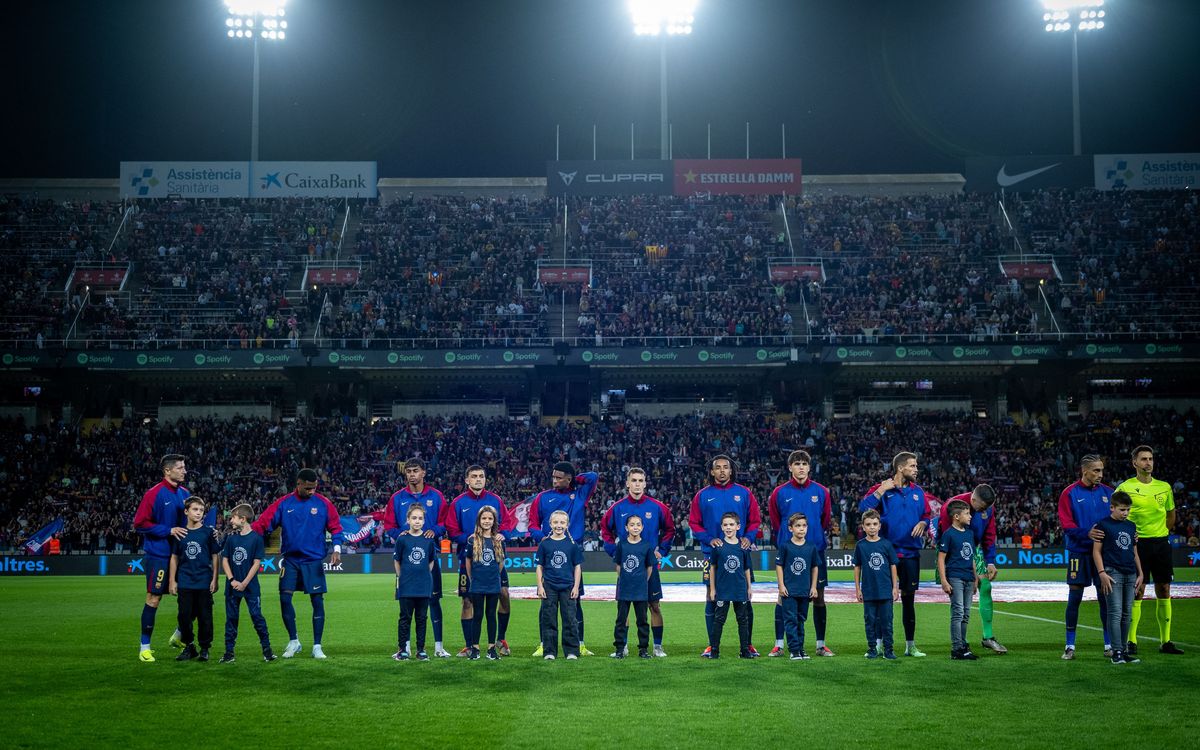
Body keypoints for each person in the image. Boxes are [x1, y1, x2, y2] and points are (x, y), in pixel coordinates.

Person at [252, 468, 344, 660]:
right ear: (298, 484)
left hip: (313, 561)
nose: (312, 491)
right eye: (308, 488)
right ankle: (294, 641)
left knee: (317, 602)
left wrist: (337, 550)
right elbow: (263, 524)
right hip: (291, 561)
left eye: (314, 488)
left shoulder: (324, 504)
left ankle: (317, 646)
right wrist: (246, 537)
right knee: (285, 599)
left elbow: (336, 528)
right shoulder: (284, 504)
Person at [859, 451, 931, 657]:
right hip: (884, 554)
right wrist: (881, 490)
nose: (916, 470)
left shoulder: (918, 492)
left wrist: (923, 522)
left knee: (909, 599)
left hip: (910, 554)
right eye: (913, 466)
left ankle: (910, 646)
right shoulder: (883, 489)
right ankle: (879, 645)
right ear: (901, 468)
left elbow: (926, 514)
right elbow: (863, 508)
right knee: (883, 600)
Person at [689, 455, 762, 657]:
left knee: (745, 599)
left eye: (726, 467)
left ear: (731, 471)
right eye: (718, 468)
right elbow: (694, 523)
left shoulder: (744, 493)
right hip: (711, 557)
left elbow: (755, 520)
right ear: (712, 472)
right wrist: (709, 539)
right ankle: (712, 645)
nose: (722, 471)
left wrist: (748, 537)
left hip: (740, 556)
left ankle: (747, 645)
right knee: (710, 597)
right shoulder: (702, 495)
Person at [767, 450, 837, 657]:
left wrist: (811, 539)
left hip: (814, 551)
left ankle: (820, 644)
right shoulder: (779, 493)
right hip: (789, 552)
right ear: (790, 467)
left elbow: (824, 520)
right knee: (783, 595)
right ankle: (779, 644)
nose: (800, 467)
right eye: (796, 464)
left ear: (809, 467)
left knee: (818, 596)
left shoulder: (822, 491)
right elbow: (776, 523)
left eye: (804, 464)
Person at [599, 467, 675, 657]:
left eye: (641, 480)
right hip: (628, 568)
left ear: (645, 483)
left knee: (654, 606)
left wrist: (662, 550)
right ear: (627, 483)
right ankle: (622, 646)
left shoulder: (658, 507)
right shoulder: (617, 508)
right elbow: (605, 531)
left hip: (649, 567)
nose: (637, 484)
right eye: (634, 480)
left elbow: (670, 530)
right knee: (624, 609)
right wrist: (613, 551)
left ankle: (657, 646)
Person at [1115, 445, 1183, 655]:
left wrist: (1162, 532)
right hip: (1138, 545)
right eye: (1143, 459)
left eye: (1151, 459)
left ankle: (1166, 641)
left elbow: (1171, 515)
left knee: (1164, 589)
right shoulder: (1125, 487)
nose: (1148, 463)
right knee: (1138, 591)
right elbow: (1116, 513)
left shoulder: (1164, 487)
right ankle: (1131, 641)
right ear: (1134, 462)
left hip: (1161, 544)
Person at [445, 465, 517, 657]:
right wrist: (470, 540)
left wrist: (503, 535)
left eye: (481, 476)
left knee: (504, 594)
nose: (478, 479)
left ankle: (500, 640)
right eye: (474, 476)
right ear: (467, 480)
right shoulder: (458, 503)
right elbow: (452, 530)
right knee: (467, 601)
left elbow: (508, 524)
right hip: (469, 559)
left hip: (493, 559)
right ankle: (470, 645)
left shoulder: (495, 500)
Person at [528, 462, 599, 657]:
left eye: (559, 477)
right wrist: (540, 537)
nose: (555, 480)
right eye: (553, 476)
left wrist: (574, 479)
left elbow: (593, 476)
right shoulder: (542, 497)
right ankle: (544, 644)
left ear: (569, 478)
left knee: (575, 602)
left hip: (571, 552)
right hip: (550, 552)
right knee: (546, 604)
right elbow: (532, 524)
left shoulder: (579, 494)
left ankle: (580, 644)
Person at [383, 458, 451, 658]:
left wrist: (434, 531)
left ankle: (438, 647)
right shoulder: (397, 498)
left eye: (415, 471)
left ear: (423, 473)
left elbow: (445, 522)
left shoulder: (436, 497)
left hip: (428, 559)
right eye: (409, 471)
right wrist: (400, 536)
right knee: (406, 609)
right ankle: (405, 648)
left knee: (434, 601)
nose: (412, 474)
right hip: (406, 564)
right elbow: (389, 526)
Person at [132, 453, 190, 662]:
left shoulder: (185, 493)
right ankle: (144, 647)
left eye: (184, 467)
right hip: (159, 555)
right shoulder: (154, 494)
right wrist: (168, 530)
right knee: (154, 599)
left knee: (192, 596)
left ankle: (178, 636)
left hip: (182, 556)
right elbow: (139, 523)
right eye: (180, 467)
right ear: (167, 470)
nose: (184, 471)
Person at [937, 484, 1007, 654]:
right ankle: (961, 641)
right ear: (973, 500)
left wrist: (990, 561)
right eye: (981, 508)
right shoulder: (952, 506)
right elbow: (945, 536)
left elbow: (990, 534)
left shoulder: (988, 508)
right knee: (958, 599)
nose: (983, 511)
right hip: (954, 549)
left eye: (986, 508)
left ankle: (988, 637)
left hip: (973, 547)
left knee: (986, 586)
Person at [1056, 454, 1113, 660]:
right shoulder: (1069, 493)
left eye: (1102, 470)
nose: (1100, 474)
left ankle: (1109, 644)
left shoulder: (1109, 492)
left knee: (1104, 598)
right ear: (1084, 471)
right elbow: (1066, 524)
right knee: (1075, 598)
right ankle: (1070, 645)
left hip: (1104, 554)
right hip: (1079, 552)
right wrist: (1086, 533)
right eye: (1096, 470)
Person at [218, 503, 275, 664]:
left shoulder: (256, 539)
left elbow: (256, 564)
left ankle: (267, 650)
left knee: (257, 617)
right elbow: (225, 560)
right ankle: (229, 653)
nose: (231, 520)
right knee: (231, 619)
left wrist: (243, 583)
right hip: (232, 587)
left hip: (250, 587)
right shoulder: (231, 538)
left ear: (243, 519)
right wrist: (232, 580)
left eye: (233, 517)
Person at [1093, 491, 1144, 665]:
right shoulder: (1103, 525)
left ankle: (1123, 651)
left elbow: (1134, 552)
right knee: (1114, 613)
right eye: (1122, 509)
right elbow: (1096, 551)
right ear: (1112, 507)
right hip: (1112, 572)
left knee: (1127, 614)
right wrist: (1102, 573)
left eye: (1128, 510)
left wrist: (1141, 573)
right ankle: (1116, 652)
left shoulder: (1131, 526)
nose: (1125, 513)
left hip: (1130, 573)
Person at [168, 497, 220, 663]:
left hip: (204, 581)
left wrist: (215, 579)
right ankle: (189, 646)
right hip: (185, 582)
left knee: (206, 617)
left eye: (201, 510)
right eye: (195, 509)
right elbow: (174, 557)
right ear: (186, 511)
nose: (198, 513)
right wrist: (172, 581)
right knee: (184, 616)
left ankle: (205, 648)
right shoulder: (180, 533)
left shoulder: (208, 532)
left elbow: (215, 556)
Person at [704, 512, 754, 660]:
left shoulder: (743, 547)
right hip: (723, 590)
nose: (728, 527)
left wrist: (749, 587)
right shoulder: (717, 546)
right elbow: (712, 568)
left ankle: (744, 651)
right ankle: (714, 651)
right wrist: (713, 589)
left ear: (738, 526)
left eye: (731, 524)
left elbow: (746, 569)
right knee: (719, 620)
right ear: (721, 527)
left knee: (743, 620)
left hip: (739, 589)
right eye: (725, 525)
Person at [392, 503, 438, 661]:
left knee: (421, 618)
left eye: (420, 518)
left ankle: (421, 650)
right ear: (408, 520)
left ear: (424, 521)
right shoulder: (402, 538)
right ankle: (402, 650)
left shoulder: (429, 540)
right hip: (406, 585)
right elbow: (397, 561)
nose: (417, 521)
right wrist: (402, 577)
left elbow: (431, 561)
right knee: (405, 618)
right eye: (414, 518)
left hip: (423, 585)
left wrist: (423, 574)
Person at [536, 509, 583, 660]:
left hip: (568, 586)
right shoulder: (545, 545)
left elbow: (577, 567)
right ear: (550, 524)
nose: (559, 525)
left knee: (570, 619)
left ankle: (571, 651)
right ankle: (549, 651)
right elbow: (539, 567)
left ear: (567, 525)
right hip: (549, 586)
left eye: (562, 522)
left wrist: (576, 586)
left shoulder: (572, 545)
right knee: (548, 619)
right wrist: (540, 585)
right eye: (555, 522)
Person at [852, 509, 899, 660]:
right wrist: (858, 589)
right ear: (863, 527)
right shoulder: (860, 545)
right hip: (869, 591)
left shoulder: (886, 544)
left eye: (874, 524)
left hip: (885, 590)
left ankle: (889, 650)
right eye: (868, 524)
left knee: (887, 622)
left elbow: (893, 565)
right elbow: (857, 567)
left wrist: (895, 587)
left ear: (879, 526)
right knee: (870, 621)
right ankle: (872, 648)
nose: (872, 527)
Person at [938, 499, 980, 661]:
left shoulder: (969, 533)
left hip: (969, 578)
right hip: (955, 577)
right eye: (967, 514)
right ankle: (957, 648)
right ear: (956, 516)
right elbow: (941, 559)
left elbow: (972, 558)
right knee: (958, 613)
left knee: (966, 614)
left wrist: (975, 578)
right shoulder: (948, 534)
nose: (970, 517)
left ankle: (962, 645)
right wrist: (944, 580)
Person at [774, 513, 820, 660]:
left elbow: (814, 567)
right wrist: (781, 586)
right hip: (789, 591)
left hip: (805, 591)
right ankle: (794, 650)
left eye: (804, 526)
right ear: (790, 528)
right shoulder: (785, 546)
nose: (801, 529)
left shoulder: (811, 547)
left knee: (801, 620)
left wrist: (813, 587)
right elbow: (779, 566)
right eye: (798, 526)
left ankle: (801, 648)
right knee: (790, 620)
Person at [612, 514, 655, 660]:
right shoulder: (622, 545)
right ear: (626, 527)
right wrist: (625, 579)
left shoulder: (646, 545)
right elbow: (618, 567)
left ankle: (643, 649)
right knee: (621, 620)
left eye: (638, 524)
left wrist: (642, 581)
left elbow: (649, 568)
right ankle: (619, 649)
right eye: (632, 525)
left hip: (641, 590)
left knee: (642, 621)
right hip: (624, 589)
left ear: (642, 527)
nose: (635, 527)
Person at [465, 506, 505, 661]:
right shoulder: (472, 539)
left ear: (494, 521)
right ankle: (474, 648)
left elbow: (500, 563)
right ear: (479, 520)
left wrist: (494, 575)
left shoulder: (498, 540)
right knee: (478, 615)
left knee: (491, 615)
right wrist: (472, 579)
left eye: (490, 518)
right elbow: (468, 561)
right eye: (484, 518)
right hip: (478, 584)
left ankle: (491, 649)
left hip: (493, 584)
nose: (487, 521)